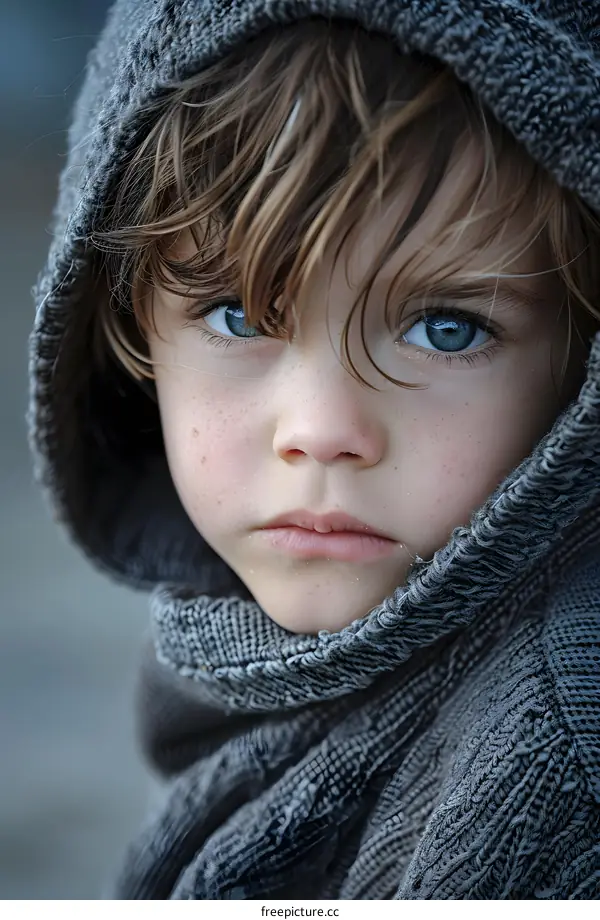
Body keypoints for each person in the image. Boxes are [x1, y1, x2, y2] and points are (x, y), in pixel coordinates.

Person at [29, 0, 600, 900]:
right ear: (130, 329)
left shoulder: (557, 762)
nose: (322, 429)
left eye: (446, 329)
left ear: (580, 362)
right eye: (240, 316)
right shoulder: (222, 648)